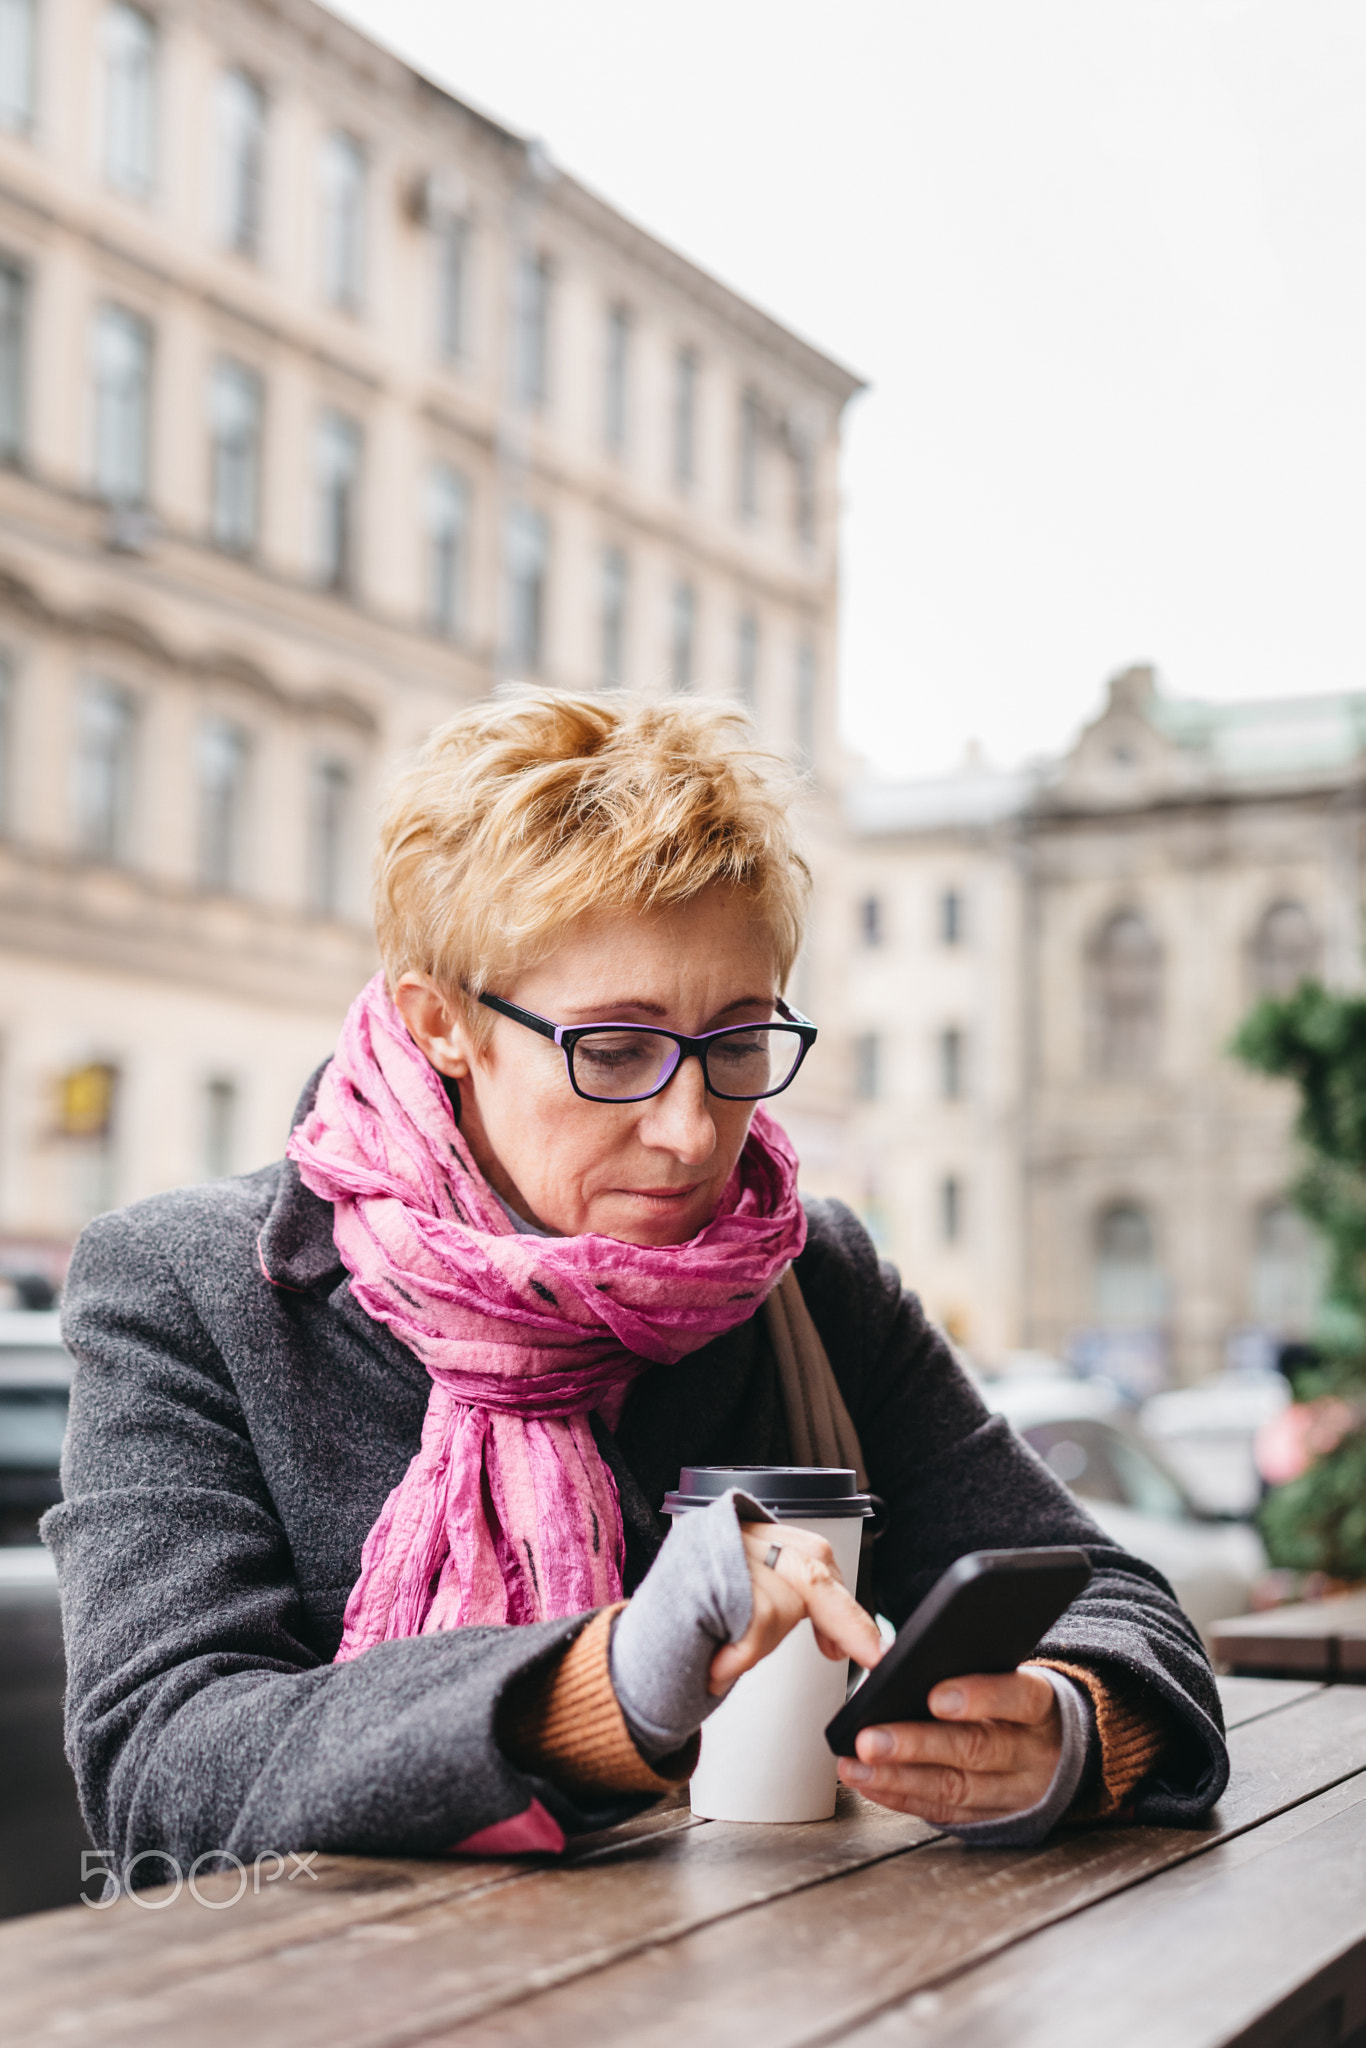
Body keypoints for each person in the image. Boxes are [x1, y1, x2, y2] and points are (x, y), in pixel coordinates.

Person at [46, 692, 1228, 1878]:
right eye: (613, 1049)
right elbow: (158, 1764)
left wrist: (1066, 1732)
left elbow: (1115, 1599)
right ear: (442, 1020)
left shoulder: (811, 1279)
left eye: (736, 1041)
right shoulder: (188, 1288)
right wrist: (596, 1684)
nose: (689, 1128)